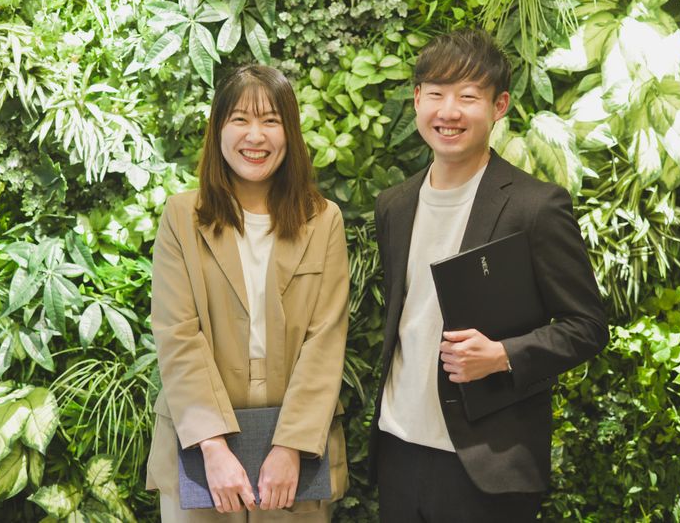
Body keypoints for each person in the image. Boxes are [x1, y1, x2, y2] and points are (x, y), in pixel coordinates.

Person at [369, 29, 609, 523]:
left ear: (499, 106)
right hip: (398, 448)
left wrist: (503, 356)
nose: (448, 111)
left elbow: (587, 326)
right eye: (436, 94)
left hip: (485, 463)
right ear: (417, 100)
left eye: (468, 97)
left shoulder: (535, 207)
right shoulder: (394, 205)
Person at [145, 64, 349, 523]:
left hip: (297, 453)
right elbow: (177, 334)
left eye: (270, 121)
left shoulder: (323, 219)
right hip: (199, 447)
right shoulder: (182, 217)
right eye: (240, 119)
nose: (255, 136)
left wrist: (290, 445)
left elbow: (325, 339)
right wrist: (213, 447)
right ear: (218, 128)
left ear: (289, 132)